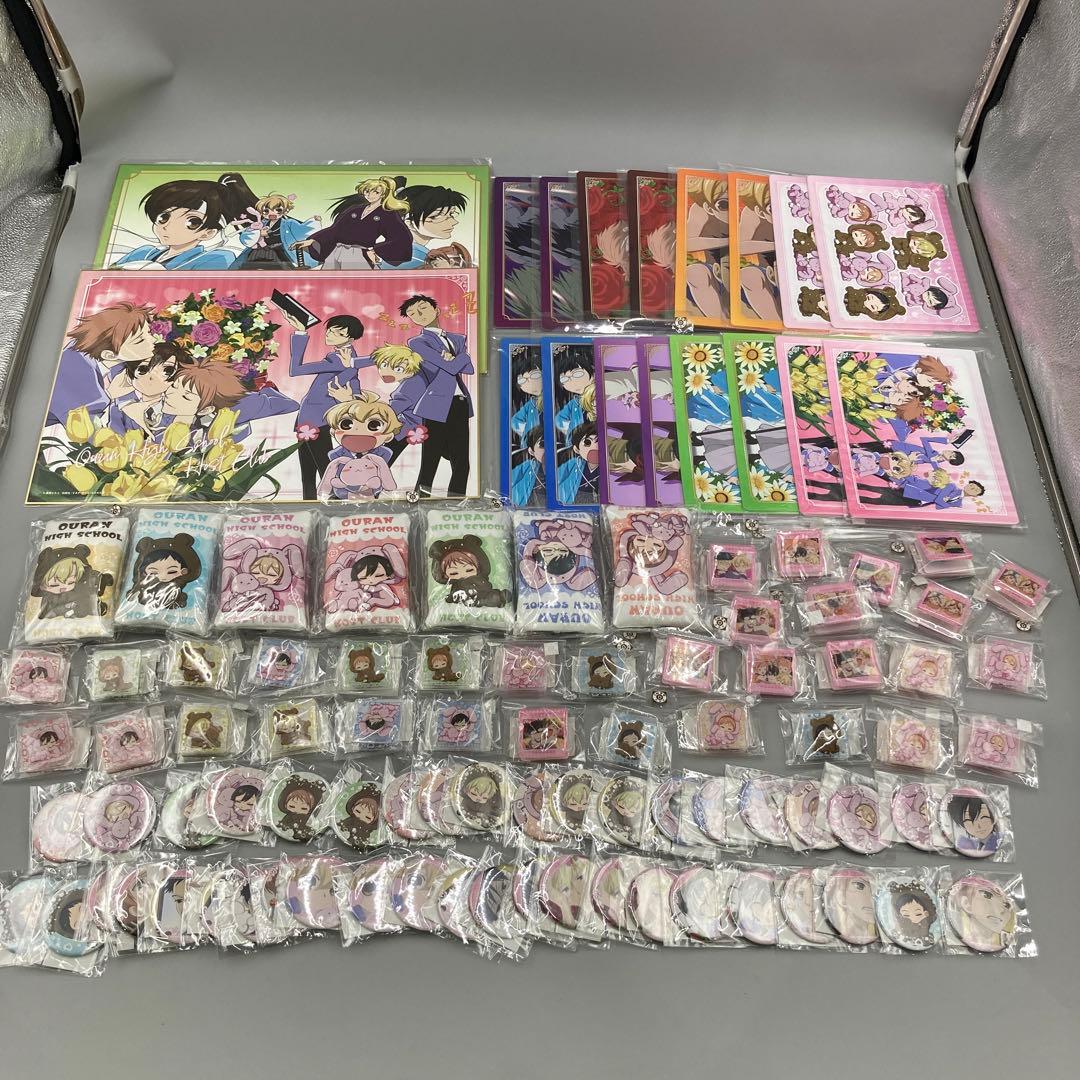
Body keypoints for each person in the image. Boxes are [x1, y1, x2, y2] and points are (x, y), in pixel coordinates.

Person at [283, 311, 373, 499]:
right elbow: (354, 383)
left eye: (339, 333)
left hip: (316, 419)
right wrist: (353, 396)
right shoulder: (345, 357)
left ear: (350, 338)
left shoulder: (339, 359)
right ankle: (311, 502)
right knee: (309, 468)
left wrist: (300, 332)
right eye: (331, 330)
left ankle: (337, 500)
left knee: (324, 468)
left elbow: (296, 370)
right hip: (311, 418)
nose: (330, 335)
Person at [401, 295, 473, 496]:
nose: (419, 315)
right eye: (413, 314)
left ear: (437, 310)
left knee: (462, 460)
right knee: (430, 459)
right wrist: (461, 357)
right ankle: (420, 498)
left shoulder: (457, 338)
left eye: (423, 308)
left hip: (459, 402)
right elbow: (452, 367)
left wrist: (459, 359)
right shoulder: (417, 342)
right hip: (434, 403)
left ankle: (457, 500)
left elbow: (469, 369)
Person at [111, 173, 258, 269]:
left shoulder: (216, 258)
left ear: (208, 233)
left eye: (192, 222)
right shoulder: (143, 252)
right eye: (163, 217)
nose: (168, 226)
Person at [49, 302, 155, 427]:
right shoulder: (79, 377)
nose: (153, 340)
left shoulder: (98, 350)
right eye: (140, 340)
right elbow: (85, 428)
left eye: (149, 333)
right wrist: (110, 395)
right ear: (109, 355)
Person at [293, 176, 412, 269]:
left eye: (375, 192)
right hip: (337, 251)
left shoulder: (387, 214)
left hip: (359, 255)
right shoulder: (355, 210)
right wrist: (313, 240)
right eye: (367, 191)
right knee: (330, 285)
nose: (369, 195)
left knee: (357, 287)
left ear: (383, 194)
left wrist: (375, 251)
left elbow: (402, 237)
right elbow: (335, 230)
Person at [392, 183, 471, 268]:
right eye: (436, 216)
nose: (454, 222)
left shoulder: (419, 254)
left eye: (451, 214)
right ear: (410, 224)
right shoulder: (414, 258)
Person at [235, 192, 321, 269]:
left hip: (279, 252)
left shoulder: (289, 223)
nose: (271, 213)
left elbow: (302, 230)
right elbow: (245, 236)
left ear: (285, 211)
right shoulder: (260, 223)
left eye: (278, 210)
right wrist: (258, 233)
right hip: (258, 251)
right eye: (266, 211)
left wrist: (314, 221)